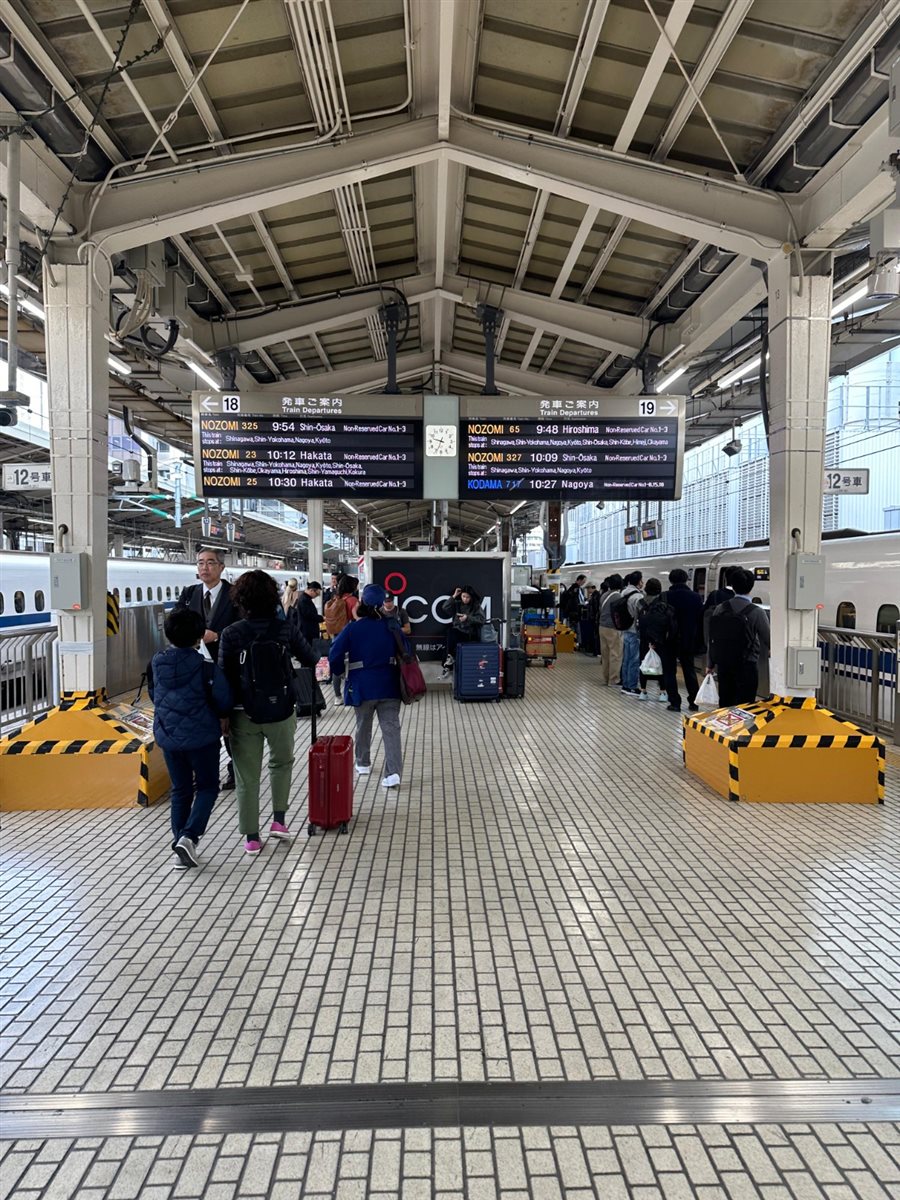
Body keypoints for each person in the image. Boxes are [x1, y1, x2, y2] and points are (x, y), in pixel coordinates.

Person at [218, 569, 317, 856]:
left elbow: (224, 678)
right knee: (282, 763)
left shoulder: (231, 633)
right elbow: (310, 657)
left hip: (242, 713)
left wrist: (223, 715)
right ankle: (279, 821)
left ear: (240, 600)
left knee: (247, 776)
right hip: (281, 709)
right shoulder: (283, 628)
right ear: (272, 596)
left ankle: (251, 837)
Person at [148, 608, 232, 870]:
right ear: (199, 636)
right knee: (207, 786)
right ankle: (188, 837)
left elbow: (154, 694)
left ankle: (180, 847)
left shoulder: (156, 663)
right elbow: (223, 699)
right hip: (202, 738)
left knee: (181, 789)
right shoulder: (205, 667)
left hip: (169, 737)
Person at [175, 546, 240, 788]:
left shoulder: (234, 595)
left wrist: (219, 635)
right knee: (198, 720)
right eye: (200, 563)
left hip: (227, 667)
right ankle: (201, 773)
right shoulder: (189, 594)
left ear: (222, 567)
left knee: (229, 721)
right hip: (196, 669)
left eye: (211, 563)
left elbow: (243, 626)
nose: (204, 567)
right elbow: (177, 625)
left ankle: (235, 770)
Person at [329, 583, 404, 789]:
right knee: (391, 729)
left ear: (362, 602)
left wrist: (337, 671)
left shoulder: (353, 628)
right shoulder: (392, 626)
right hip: (389, 684)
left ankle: (362, 762)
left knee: (363, 724)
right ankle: (393, 773)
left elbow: (334, 654)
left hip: (362, 685)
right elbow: (405, 650)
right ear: (382, 604)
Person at [707, 566, 771, 706]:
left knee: (725, 702)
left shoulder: (720, 608)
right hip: (747, 665)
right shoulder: (757, 612)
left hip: (724, 664)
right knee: (745, 706)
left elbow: (713, 638)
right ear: (751, 587)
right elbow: (768, 638)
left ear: (733, 586)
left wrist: (710, 664)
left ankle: (725, 727)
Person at [664, 567, 704, 712]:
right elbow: (700, 620)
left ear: (671, 580)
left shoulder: (665, 596)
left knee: (669, 671)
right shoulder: (695, 597)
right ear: (686, 579)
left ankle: (674, 702)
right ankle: (694, 702)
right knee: (689, 671)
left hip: (668, 640)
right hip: (688, 639)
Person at [635, 578, 676, 702]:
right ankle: (663, 692)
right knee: (660, 664)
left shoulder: (640, 603)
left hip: (644, 639)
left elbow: (638, 621)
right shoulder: (663, 605)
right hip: (660, 640)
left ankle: (643, 691)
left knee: (644, 663)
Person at [325, 576, 360, 705]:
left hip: (336, 636)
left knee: (337, 664)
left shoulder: (336, 599)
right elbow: (357, 618)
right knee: (352, 665)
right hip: (350, 636)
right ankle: (350, 693)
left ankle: (337, 697)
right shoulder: (352, 600)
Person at [439, 585, 486, 675]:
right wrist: (454, 595)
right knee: (450, 632)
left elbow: (481, 620)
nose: (465, 599)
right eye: (463, 596)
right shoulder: (457, 604)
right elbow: (445, 607)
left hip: (468, 633)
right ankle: (449, 660)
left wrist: (467, 618)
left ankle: (448, 662)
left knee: (452, 633)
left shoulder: (476, 606)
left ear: (471, 597)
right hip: (457, 631)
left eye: (467, 597)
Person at [617, 571, 644, 695]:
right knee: (634, 659)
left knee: (626, 658)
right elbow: (641, 614)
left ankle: (625, 684)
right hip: (634, 630)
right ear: (639, 581)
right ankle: (632, 686)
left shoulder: (623, 592)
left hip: (625, 629)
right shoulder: (638, 597)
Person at [703, 567, 737, 664]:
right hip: (738, 645)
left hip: (719, 640)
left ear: (725, 578)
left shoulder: (715, 595)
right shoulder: (746, 602)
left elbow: (705, 612)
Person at [597, 573, 624, 686]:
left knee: (605, 654)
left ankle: (606, 677)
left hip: (602, 627)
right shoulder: (618, 596)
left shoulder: (604, 595)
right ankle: (614, 680)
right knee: (615, 654)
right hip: (613, 628)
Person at [293, 580, 323, 645]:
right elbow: (309, 615)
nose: (317, 596)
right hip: (306, 631)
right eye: (317, 594)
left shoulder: (305, 599)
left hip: (306, 631)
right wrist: (321, 618)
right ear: (311, 590)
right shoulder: (304, 600)